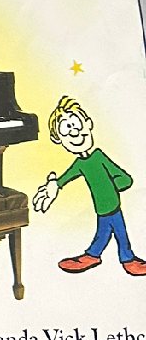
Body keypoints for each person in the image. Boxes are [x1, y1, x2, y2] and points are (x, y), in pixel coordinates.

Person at [32, 95, 146, 276]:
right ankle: (94, 255)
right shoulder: (80, 164)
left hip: (112, 205)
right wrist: (54, 185)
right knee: (104, 230)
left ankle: (126, 258)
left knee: (119, 232)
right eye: (67, 130)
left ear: (87, 123)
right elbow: (65, 177)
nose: (74, 133)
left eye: (76, 126)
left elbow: (126, 179)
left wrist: (110, 187)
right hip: (101, 207)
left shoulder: (98, 156)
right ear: (58, 139)